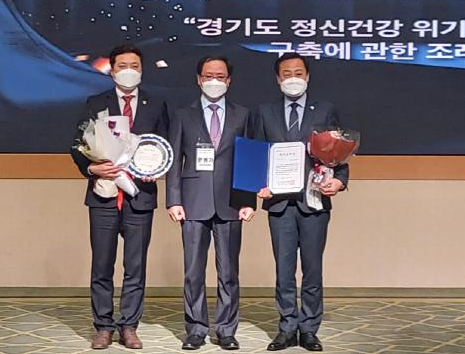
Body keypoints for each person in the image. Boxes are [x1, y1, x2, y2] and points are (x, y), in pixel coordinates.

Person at [70, 44, 169, 350]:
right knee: (102, 265)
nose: (129, 71)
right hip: (104, 195)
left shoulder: (156, 104)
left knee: (135, 266)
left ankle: (129, 326)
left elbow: (164, 144)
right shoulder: (95, 103)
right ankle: (103, 326)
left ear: (142, 70)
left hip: (140, 196)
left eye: (134, 66)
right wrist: (92, 167)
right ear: (112, 71)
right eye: (122, 66)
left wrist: (156, 169)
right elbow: (77, 145)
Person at [253, 52, 349, 352]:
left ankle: (309, 329)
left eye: (298, 72)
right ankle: (286, 328)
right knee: (283, 270)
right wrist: (257, 183)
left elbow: (337, 153)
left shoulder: (325, 109)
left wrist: (340, 180)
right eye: (286, 73)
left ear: (307, 76)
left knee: (312, 269)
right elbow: (256, 154)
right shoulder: (265, 112)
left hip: (314, 201)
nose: (292, 78)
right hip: (279, 204)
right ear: (277, 78)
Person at [166, 56, 256, 351]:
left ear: (229, 80)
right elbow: (174, 161)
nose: (214, 81)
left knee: (228, 272)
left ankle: (226, 330)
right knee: (193, 271)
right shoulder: (183, 115)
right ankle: (195, 329)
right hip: (192, 202)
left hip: (231, 202)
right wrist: (173, 200)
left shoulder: (243, 115)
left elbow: (249, 159)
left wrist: (249, 201)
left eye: (220, 76)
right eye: (208, 76)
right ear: (198, 79)